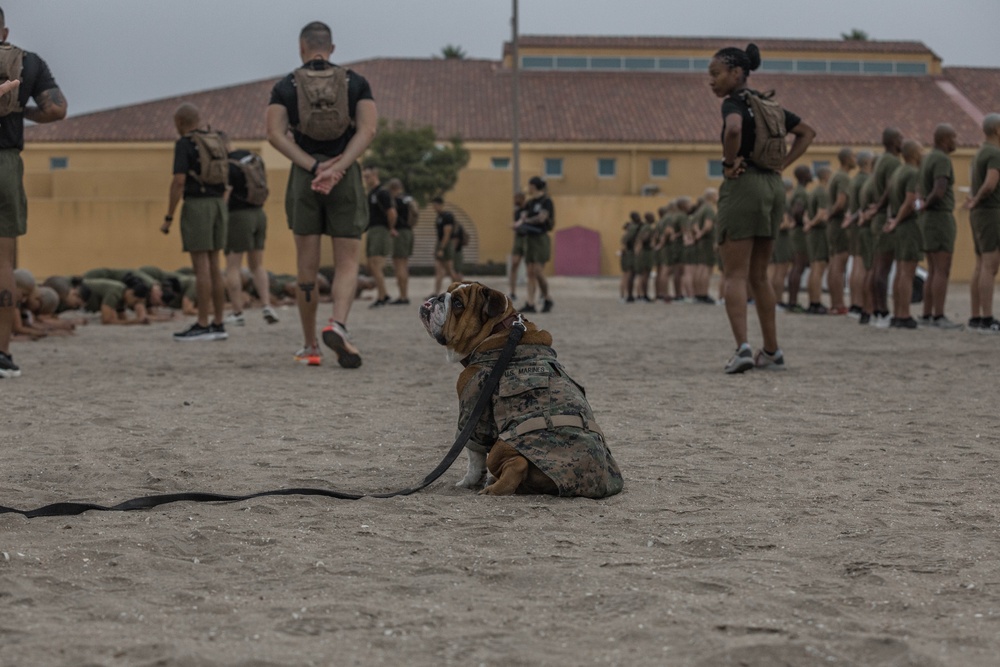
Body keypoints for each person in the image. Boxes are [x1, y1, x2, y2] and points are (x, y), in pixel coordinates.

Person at [266, 20, 376, 368]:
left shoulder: (286, 85)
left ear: (302, 47)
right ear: (331, 48)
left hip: (305, 178)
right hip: (345, 177)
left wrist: (314, 167)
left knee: (306, 269)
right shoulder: (355, 82)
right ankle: (338, 325)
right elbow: (369, 129)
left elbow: (275, 134)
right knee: (346, 262)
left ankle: (310, 345)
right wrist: (339, 166)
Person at [708, 42, 815, 373]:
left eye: (716, 74)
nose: (711, 81)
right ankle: (772, 351)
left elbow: (735, 129)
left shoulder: (733, 103)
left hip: (744, 185)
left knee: (735, 274)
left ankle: (742, 348)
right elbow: (807, 132)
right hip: (772, 186)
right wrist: (783, 164)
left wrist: (728, 163)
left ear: (737, 73)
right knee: (760, 275)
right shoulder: (770, 105)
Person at [0, 7, 67, 378]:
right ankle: (2, 353)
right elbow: (57, 110)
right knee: (4, 262)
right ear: (4, 29)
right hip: (6, 163)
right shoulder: (28, 62)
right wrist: (21, 113)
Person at [161, 103, 229, 342]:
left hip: (197, 206)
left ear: (179, 123)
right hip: (219, 206)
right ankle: (219, 322)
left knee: (201, 268)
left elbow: (179, 181)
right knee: (215, 267)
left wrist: (169, 216)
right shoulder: (216, 140)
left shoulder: (184, 144)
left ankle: (202, 323)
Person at [223, 145, 279, 326]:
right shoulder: (251, 158)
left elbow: (227, 192)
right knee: (257, 265)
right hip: (259, 214)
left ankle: (237, 312)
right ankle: (267, 306)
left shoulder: (228, 165)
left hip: (238, 216)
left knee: (233, 265)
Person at [918, 124, 961, 329]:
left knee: (933, 269)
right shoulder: (942, 159)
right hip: (939, 217)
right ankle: (939, 315)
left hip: (928, 221)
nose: (956, 141)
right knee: (942, 270)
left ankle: (927, 314)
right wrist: (927, 204)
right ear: (944, 139)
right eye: (954, 137)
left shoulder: (927, 158)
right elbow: (939, 189)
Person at [963, 112, 1000, 332]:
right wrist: (977, 199)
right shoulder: (995, 154)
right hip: (991, 212)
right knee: (990, 266)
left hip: (979, 215)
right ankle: (987, 318)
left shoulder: (979, 153)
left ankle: (976, 315)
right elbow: (990, 184)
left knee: (979, 265)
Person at [865, 127, 904, 328]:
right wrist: (881, 206)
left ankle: (875, 310)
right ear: (893, 141)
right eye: (900, 137)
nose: (903, 141)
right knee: (883, 268)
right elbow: (891, 187)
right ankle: (882, 311)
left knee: (877, 267)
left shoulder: (880, 160)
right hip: (885, 217)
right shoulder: (893, 162)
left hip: (878, 218)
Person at [883, 139, 924, 329]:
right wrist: (898, 220)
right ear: (914, 153)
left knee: (900, 272)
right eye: (921, 149)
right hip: (908, 226)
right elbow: (909, 202)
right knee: (907, 272)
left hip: (899, 226)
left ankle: (898, 313)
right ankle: (904, 314)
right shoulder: (912, 173)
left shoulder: (898, 171)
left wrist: (893, 220)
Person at [362, 165, 396, 308]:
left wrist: (391, 228)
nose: (366, 180)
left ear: (375, 175)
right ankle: (384, 294)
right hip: (372, 229)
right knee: (372, 264)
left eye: (368, 176)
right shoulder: (371, 193)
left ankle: (382, 296)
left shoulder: (382, 193)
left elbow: (392, 212)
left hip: (380, 230)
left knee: (376, 263)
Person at [845, 151, 874, 318]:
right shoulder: (865, 180)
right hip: (861, 224)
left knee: (855, 264)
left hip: (853, 225)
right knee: (861, 264)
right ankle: (860, 303)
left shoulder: (854, 180)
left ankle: (855, 303)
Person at [826, 148, 855, 315]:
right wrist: (832, 214)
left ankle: (835, 303)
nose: (855, 159)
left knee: (834, 264)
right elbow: (841, 202)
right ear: (846, 159)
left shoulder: (835, 176)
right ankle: (839, 304)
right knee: (839, 262)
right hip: (839, 224)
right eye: (853, 156)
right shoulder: (843, 177)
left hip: (833, 225)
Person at [520, 176, 554, 313]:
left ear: (534, 186)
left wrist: (527, 219)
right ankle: (530, 302)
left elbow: (542, 218)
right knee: (530, 272)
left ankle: (547, 298)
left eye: (530, 186)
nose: (528, 188)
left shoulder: (546, 201)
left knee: (538, 271)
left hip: (541, 238)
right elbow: (523, 216)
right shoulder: (530, 202)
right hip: (530, 238)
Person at [804, 166, 831, 314]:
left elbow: (807, 213)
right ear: (825, 176)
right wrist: (812, 224)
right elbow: (821, 214)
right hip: (819, 233)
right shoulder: (822, 192)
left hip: (812, 234)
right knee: (818, 268)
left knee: (814, 267)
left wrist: (808, 223)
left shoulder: (813, 191)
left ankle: (812, 301)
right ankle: (816, 301)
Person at [786, 165, 812, 311]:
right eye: (808, 172)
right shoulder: (801, 193)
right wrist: (803, 222)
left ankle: (792, 301)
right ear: (803, 176)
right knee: (798, 266)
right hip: (799, 233)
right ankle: (793, 302)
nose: (811, 174)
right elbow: (798, 210)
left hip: (794, 233)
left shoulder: (796, 191)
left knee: (796, 267)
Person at [387, 178, 417, 305]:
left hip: (399, 232)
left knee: (398, 264)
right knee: (404, 264)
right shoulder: (409, 199)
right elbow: (415, 213)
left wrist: (391, 228)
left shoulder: (395, 200)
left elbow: (392, 215)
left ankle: (402, 296)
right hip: (409, 232)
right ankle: (405, 294)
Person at [769, 179, 795, 307]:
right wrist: (791, 224)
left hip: (772, 238)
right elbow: (784, 223)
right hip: (782, 239)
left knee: (772, 271)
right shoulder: (783, 201)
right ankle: (778, 300)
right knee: (781, 271)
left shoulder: (771, 200)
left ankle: (771, 299)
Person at [430, 196, 461, 296]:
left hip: (446, 244)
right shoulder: (438, 217)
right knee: (438, 270)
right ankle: (436, 292)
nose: (434, 207)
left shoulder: (447, 216)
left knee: (449, 269)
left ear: (441, 205)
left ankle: (459, 290)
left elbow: (447, 234)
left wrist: (442, 248)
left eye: (436, 205)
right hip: (440, 243)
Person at [508, 191, 527, 301]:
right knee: (514, 264)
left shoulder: (529, 209)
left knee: (533, 268)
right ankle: (513, 291)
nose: (515, 201)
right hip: (519, 238)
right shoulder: (516, 212)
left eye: (516, 198)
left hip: (529, 238)